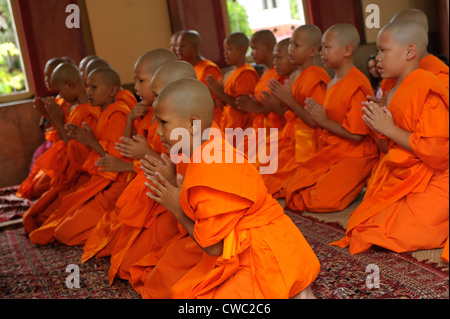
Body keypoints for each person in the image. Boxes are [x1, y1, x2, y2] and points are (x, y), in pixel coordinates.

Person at [144, 78, 320, 299]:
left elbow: (214, 248)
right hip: (270, 244)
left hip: (264, 256)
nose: (158, 131)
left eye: (163, 122)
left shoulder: (209, 167)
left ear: (193, 125)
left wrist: (175, 207)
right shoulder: (210, 147)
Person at [332, 20, 449, 255]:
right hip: (404, 175)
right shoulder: (392, 90)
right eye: (377, 51)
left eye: (383, 50)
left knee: (394, 232)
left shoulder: (427, 87)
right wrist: (378, 125)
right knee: (367, 223)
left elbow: (438, 153)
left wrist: (390, 128)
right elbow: (388, 149)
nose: (377, 59)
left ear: (410, 52)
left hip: (436, 177)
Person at [104, 61, 197, 286]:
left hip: (187, 213)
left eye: (141, 81)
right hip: (164, 198)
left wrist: (147, 155)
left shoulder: (198, 137)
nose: (136, 86)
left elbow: (187, 180)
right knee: (126, 262)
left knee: (153, 278)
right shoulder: (164, 122)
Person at [27, 67, 133, 246]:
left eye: (93, 87)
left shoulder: (116, 116)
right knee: (44, 221)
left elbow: (114, 164)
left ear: (112, 90)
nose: (88, 92)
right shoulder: (103, 113)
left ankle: (112, 230)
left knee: (61, 232)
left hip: (115, 187)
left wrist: (90, 142)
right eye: (87, 87)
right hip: (98, 183)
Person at [284, 24, 379, 213]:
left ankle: (354, 183)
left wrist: (323, 120)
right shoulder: (333, 82)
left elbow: (357, 136)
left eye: (327, 47)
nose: (322, 53)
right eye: (322, 47)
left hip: (357, 154)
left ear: (347, 50)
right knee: (293, 187)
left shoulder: (356, 84)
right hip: (334, 148)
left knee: (320, 201)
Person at [22, 63, 100, 234]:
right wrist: (51, 117)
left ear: (70, 84)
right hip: (72, 174)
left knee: (51, 224)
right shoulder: (77, 109)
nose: (59, 96)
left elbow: (80, 158)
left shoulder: (89, 113)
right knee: (38, 214)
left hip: (86, 177)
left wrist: (57, 121)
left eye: (59, 91)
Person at [261, 25, 331, 198]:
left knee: (274, 179)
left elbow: (315, 121)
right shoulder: (296, 76)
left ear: (313, 51)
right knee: (259, 165)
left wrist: (289, 100)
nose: (291, 49)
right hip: (292, 136)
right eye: (290, 44)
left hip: (309, 143)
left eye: (296, 45)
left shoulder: (315, 77)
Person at [17, 57, 74, 200]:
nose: (47, 79)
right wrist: (46, 115)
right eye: (46, 75)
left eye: (50, 74)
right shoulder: (58, 100)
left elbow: (70, 141)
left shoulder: (79, 106)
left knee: (37, 189)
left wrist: (53, 119)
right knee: (31, 186)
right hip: (60, 149)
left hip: (70, 155)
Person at [206, 32, 260, 131]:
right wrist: (217, 95)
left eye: (229, 49)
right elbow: (225, 106)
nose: (225, 53)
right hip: (229, 125)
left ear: (242, 49)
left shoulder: (246, 73)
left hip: (243, 129)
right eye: (224, 50)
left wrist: (221, 94)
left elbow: (244, 107)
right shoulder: (228, 74)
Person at [236, 29, 285, 132]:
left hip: (277, 130)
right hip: (261, 128)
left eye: (254, 48)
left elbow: (284, 110)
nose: (251, 53)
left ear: (268, 46)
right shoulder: (265, 72)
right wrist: (254, 103)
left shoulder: (281, 73)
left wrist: (259, 109)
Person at [177, 30, 224, 124]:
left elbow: (216, 101)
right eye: (177, 46)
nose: (178, 50)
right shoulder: (190, 68)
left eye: (182, 46)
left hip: (212, 121)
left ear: (195, 47)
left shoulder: (209, 69)